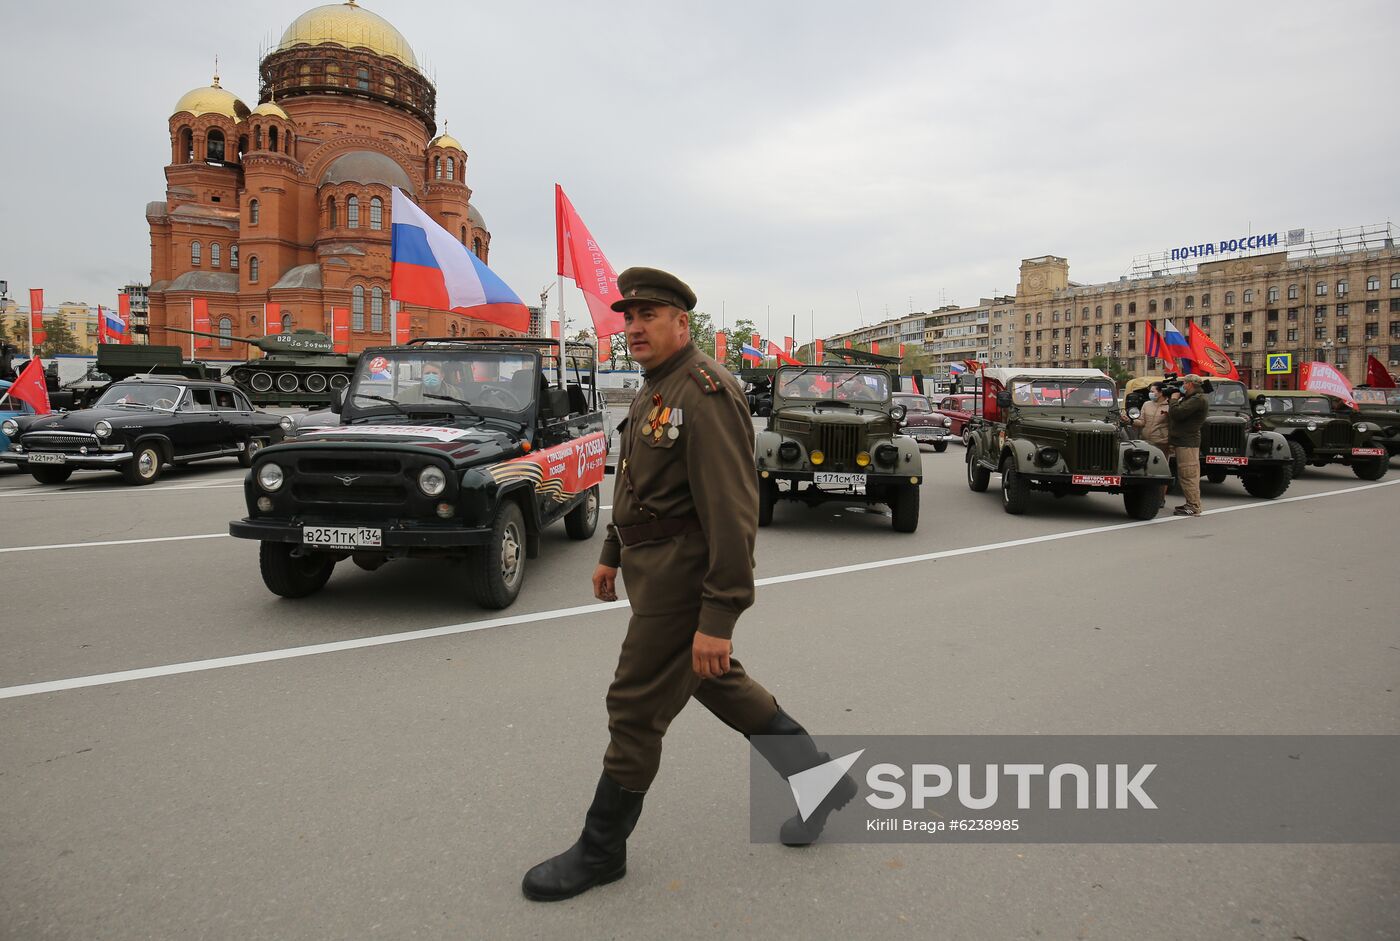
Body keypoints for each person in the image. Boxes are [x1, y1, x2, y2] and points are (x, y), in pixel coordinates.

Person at [521, 267, 853, 902]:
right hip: (653, 572)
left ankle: (601, 851)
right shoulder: (657, 387)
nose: (635, 327)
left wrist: (718, 617)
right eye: (629, 316)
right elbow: (639, 482)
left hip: (681, 585)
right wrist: (612, 549)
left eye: (649, 315)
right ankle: (821, 781)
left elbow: (733, 513)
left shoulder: (704, 392)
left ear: (682, 322)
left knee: (635, 708)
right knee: (718, 684)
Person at [1167, 375, 1210, 517]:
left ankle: (1193, 506)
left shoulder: (1197, 399)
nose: (1182, 386)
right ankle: (1191, 503)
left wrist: (1173, 399)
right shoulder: (1193, 398)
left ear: (1190, 384)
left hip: (1188, 442)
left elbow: (1178, 413)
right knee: (1187, 473)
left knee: (1188, 474)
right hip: (1184, 441)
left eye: (1184, 383)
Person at [1130, 382, 1171, 507]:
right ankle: (1145, 498)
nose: (1151, 393)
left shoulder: (1171, 406)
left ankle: (1160, 499)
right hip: (1146, 441)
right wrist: (1131, 420)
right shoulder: (1147, 404)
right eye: (1151, 391)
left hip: (1161, 443)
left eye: (1153, 391)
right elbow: (1142, 422)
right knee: (1144, 471)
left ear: (1161, 392)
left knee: (1161, 471)